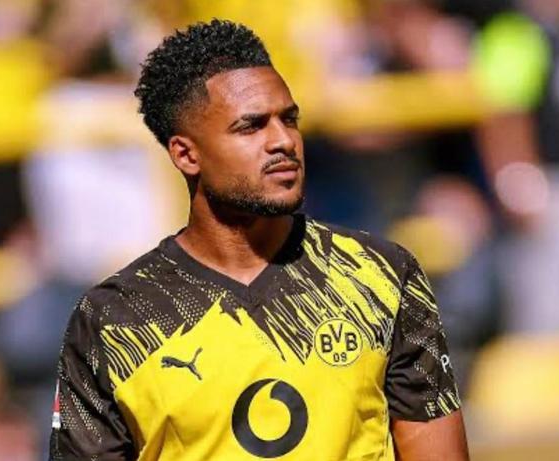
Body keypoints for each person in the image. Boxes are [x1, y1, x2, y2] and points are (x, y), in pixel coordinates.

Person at [50, 19, 469, 460]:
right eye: (251, 127)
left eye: (289, 119)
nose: (283, 141)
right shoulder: (113, 319)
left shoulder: (380, 275)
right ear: (186, 154)